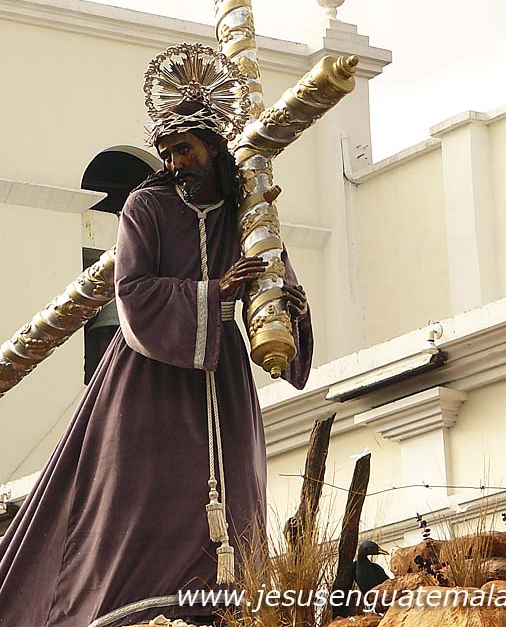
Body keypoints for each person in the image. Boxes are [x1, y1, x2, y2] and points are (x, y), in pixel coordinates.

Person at [0, 45, 313, 627]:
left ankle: (226, 606)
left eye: (185, 149)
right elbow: (133, 289)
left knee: (235, 488)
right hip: (148, 377)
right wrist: (213, 291)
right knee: (138, 496)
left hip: (223, 378)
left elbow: (274, 286)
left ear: (214, 147)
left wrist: (286, 306)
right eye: (167, 151)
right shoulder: (146, 205)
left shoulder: (247, 210)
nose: (175, 162)